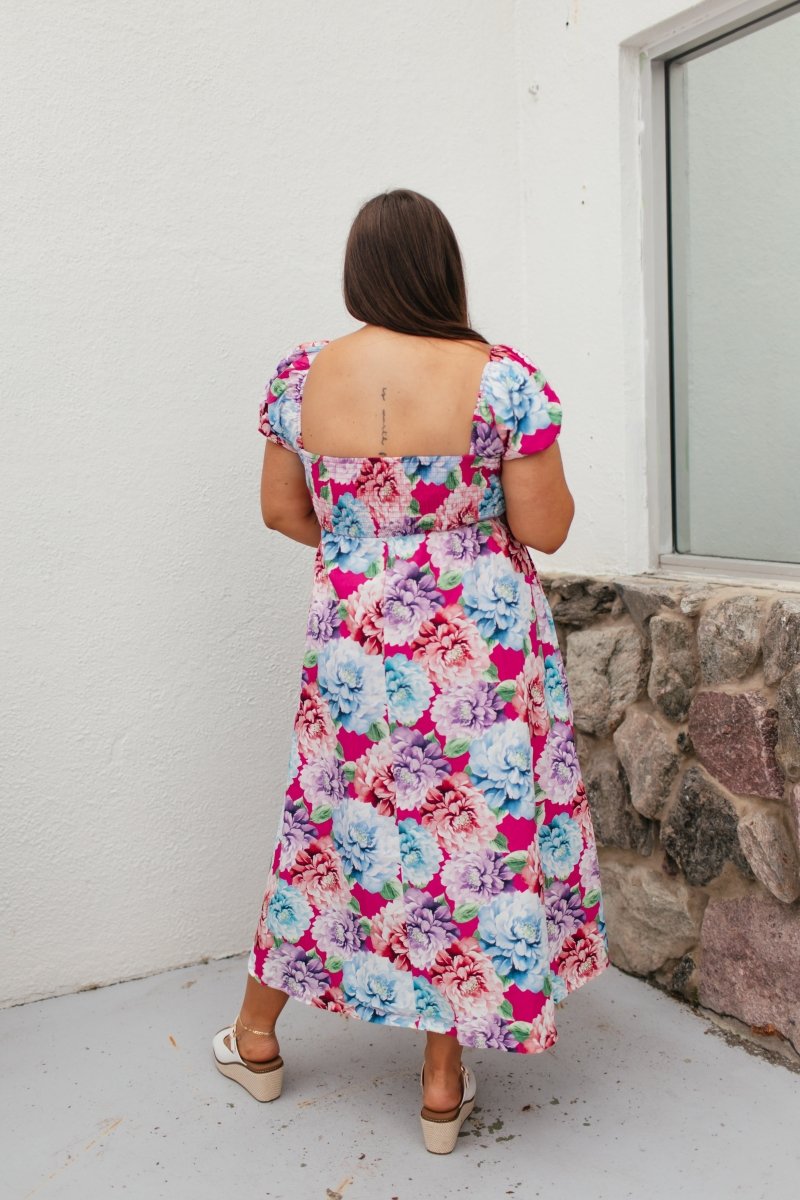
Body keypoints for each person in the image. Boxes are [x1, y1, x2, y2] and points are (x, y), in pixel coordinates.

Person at [212, 188, 610, 1154]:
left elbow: (282, 511)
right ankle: (440, 1085)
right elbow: (546, 527)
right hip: (475, 641)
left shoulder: (302, 376)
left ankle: (256, 1038)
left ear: (360, 272)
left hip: (354, 641)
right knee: (468, 840)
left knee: (326, 824)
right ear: (443, 269)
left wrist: (368, 549)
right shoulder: (503, 379)